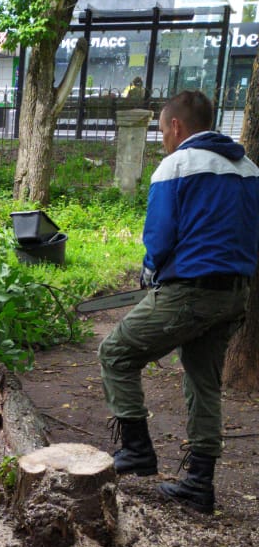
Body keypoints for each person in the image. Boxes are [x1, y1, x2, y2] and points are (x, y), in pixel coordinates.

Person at [98, 89, 259, 512]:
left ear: (175, 125)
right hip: (235, 293)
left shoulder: (178, 165)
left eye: (161, 130)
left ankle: (136, 450)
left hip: (191, 290)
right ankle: (199, 483)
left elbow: (160, 234)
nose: (162, 139)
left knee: (115, 352)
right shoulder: (248, 167)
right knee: (203, 379)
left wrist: (151, 272)